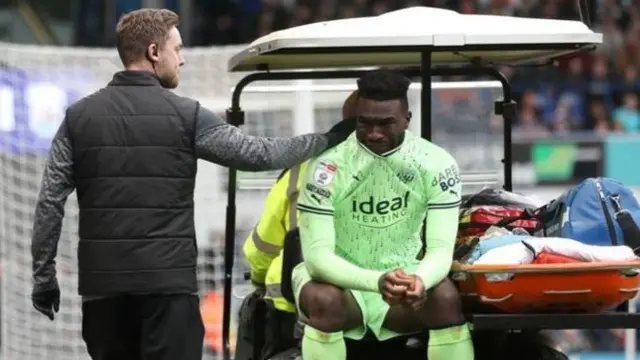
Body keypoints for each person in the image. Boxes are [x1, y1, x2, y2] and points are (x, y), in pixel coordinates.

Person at [30, 8, 354, 360]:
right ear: (155, 53)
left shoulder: (78, 119)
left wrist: (44, 277)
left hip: (103, 293)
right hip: (167, 290)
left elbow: (50, 201)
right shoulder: (186, 116)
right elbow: (258, 155)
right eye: (178, 49)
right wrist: (326, 139)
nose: (181, 60)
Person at [292, 69, 474, 360]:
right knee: (323, 298)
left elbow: (440, 251)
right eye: (365, 123)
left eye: (386, 124)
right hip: (341, 284)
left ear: (407, 119)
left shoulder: (436, 164)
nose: (374, 133)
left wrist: (421, 280)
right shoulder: (326, 168)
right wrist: (376, 280)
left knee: (444, 296)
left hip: (403, 280)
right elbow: (317, 259)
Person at [241, 90, 359, 358]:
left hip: (293, 307)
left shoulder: (301, 169)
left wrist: (259, 282)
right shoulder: (414, 166)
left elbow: (262, 247)